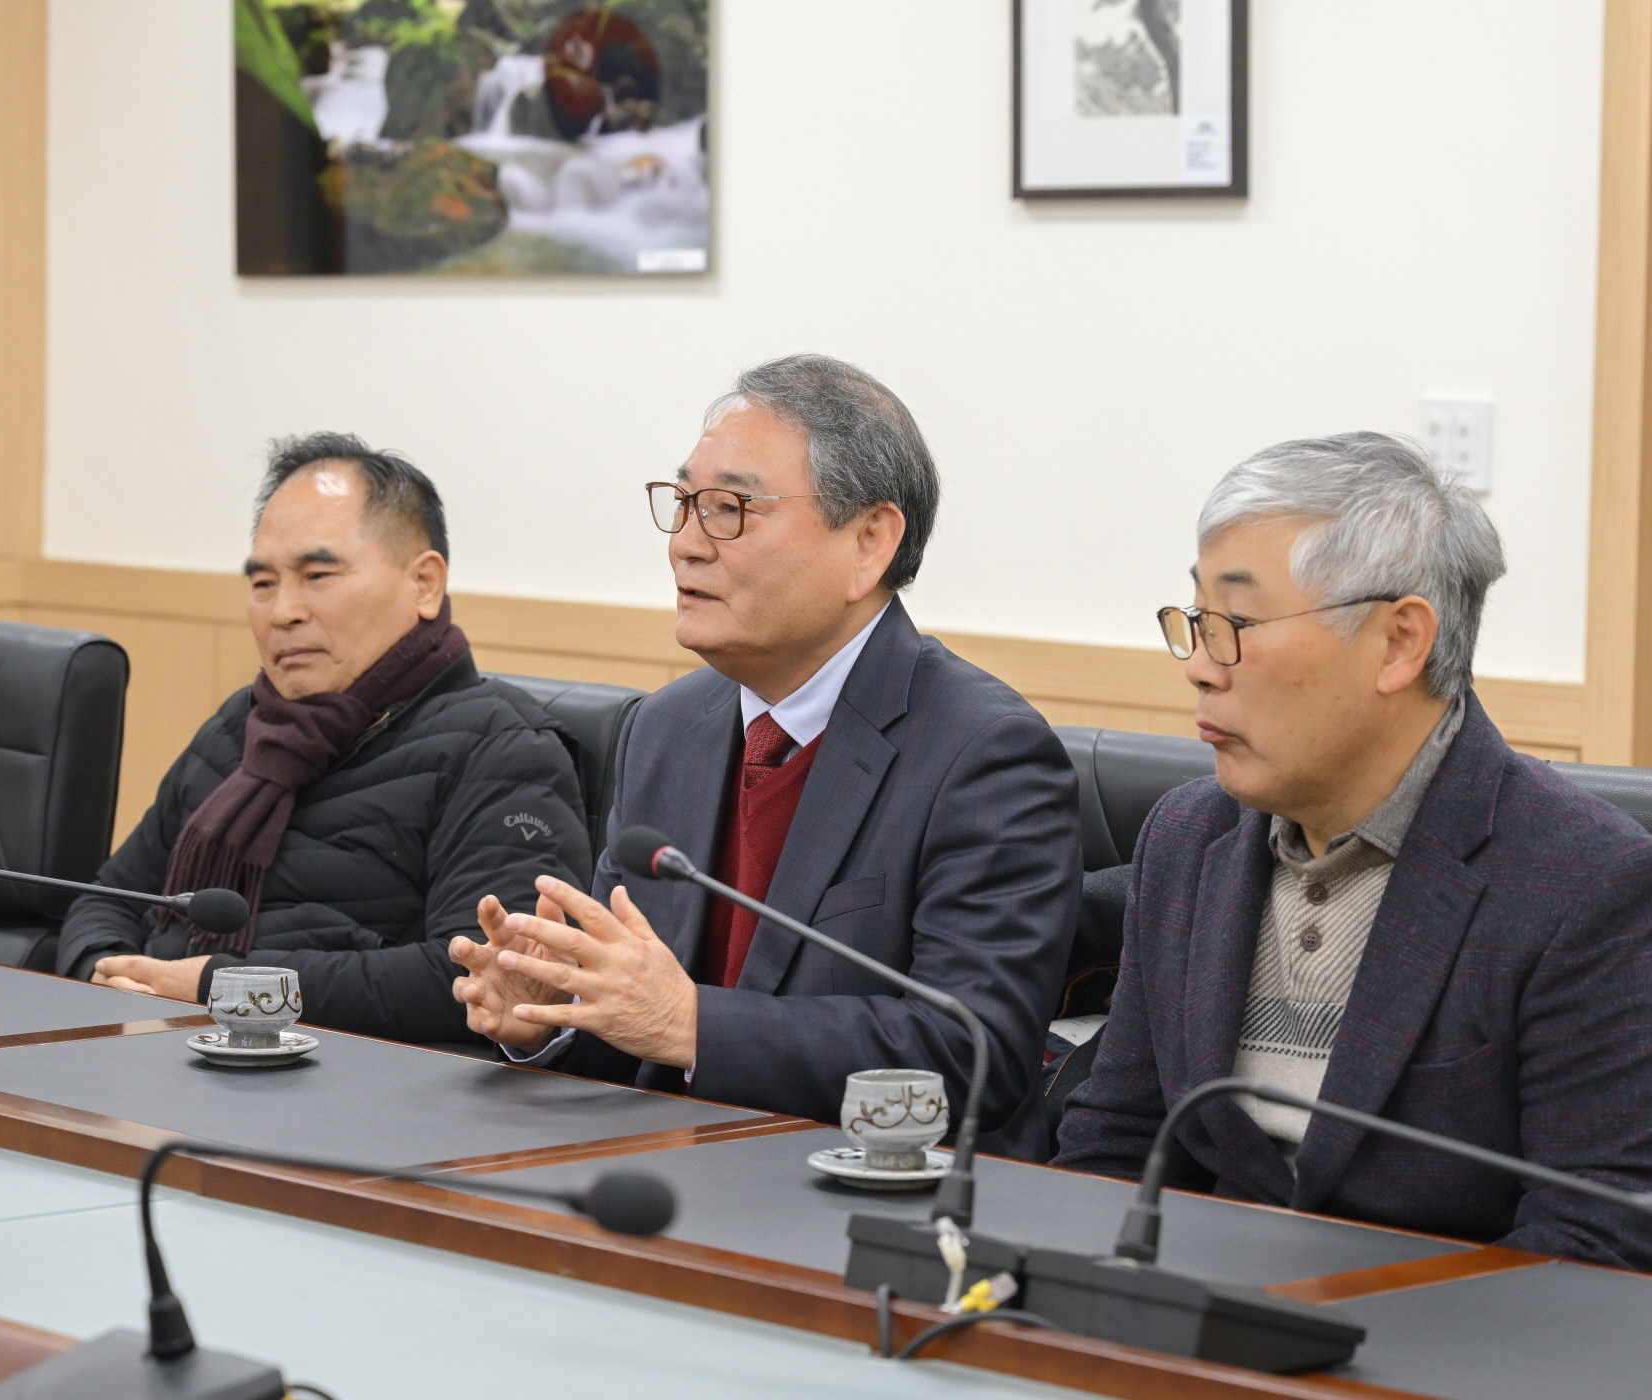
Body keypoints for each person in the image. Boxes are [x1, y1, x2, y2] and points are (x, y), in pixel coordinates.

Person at [1053, 432, 1652, 1275]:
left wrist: (1315, 1325)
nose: (1199, 667)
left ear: (1400, 642)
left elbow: (1609, 1250)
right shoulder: (1189, 838)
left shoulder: (1593, 890)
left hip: (1444, 1338)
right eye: (1194, 622)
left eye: (1235, 625)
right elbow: (1116, 1144)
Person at [448, 355, 1080, 1156]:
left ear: (869, 543)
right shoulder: (666, 728)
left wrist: (694, 1023)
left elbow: (971, 1054)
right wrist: (553, 1016)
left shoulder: (985, 753)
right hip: (664, 1175)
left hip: (866, 1190)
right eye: (683, 504)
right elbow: (640, 1035)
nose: (685, 546)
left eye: (730, 509)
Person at [57, 434, 591, 1043]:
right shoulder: (240, 729)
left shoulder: (503, 747)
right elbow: (105, 899)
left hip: (345, 1080)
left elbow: (479, 979)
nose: (283, 611)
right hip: (159, 1048)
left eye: (317, 575)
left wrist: (224, 989)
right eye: (263, 584)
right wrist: (104, 979)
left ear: (424, 584)